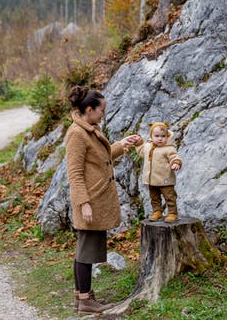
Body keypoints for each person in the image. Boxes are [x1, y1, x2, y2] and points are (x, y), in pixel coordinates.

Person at [65, 86, 140, 315]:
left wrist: (122, 145)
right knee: (86, 251)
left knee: (85, 249)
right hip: (91, 200)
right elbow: (75, 173)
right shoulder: (76, 134)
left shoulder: (88, 128)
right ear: (89, 109)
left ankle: (81, 297)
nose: (103, 114)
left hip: (96, 198)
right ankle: (86, 300)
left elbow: (100, 159)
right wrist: (84, 203)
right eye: (102, 110)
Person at [135, 122, 182, 223]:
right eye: (156, 136)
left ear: (167, 136)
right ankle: (157, 211)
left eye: (163, 136)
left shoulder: (169, 148)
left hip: (165, 179)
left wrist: (176, 163)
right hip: (152, 179)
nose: (160, 138)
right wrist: (139, 143)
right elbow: (141, 152)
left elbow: (175, 157)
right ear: (151, 136)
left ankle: (173, 213)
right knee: (154, 198)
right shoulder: (148, 146)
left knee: (169, 197)